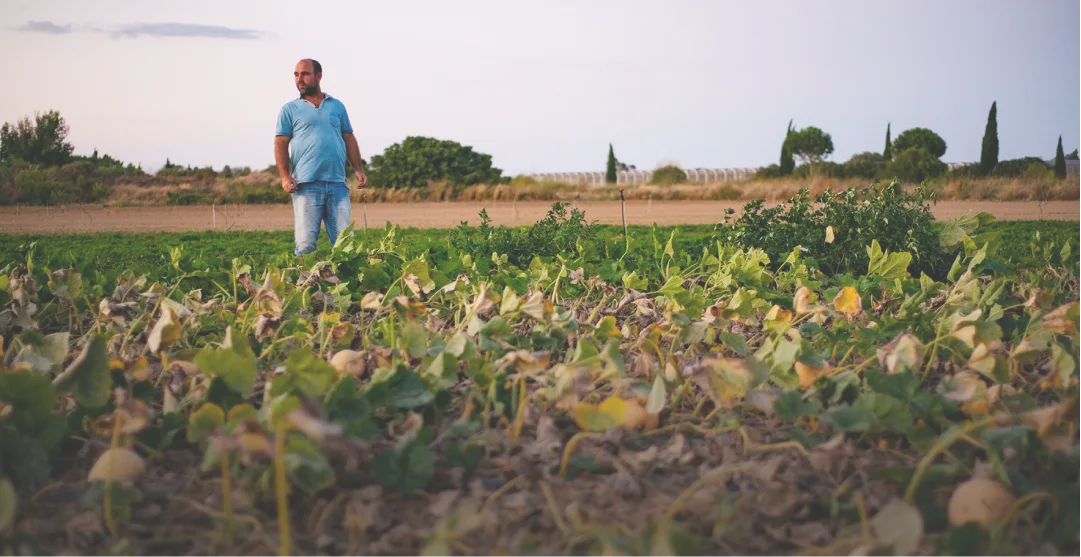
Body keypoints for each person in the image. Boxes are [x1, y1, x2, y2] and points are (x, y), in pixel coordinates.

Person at [275, 58, 366, 266]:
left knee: (345, 244)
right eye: (296, 75)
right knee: (306, 244)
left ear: (318, 76)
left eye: (305, 74)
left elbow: (348, 137)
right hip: (306, 185)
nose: (300, 79)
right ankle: (307, 288)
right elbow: (281, 142)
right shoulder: (289, 110)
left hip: (337, 184)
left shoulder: (337, 106)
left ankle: (346, 287)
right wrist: (284, 175)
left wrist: (358, 169)